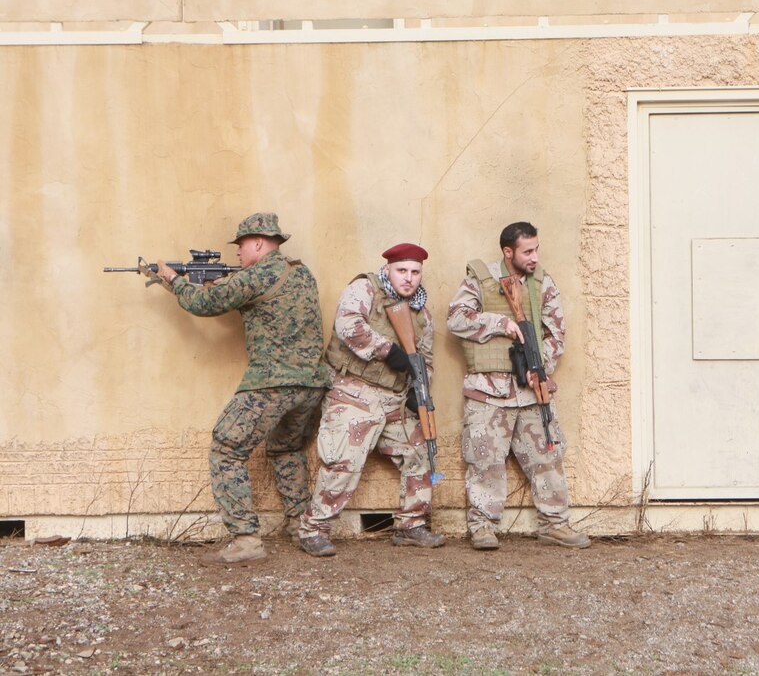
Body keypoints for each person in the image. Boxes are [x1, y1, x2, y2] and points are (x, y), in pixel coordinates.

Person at [154, 212, 328, 565]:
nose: (236, 252)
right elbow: (270, 310)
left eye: (242, 244)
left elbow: (204, 305)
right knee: (286, 448)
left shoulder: (258, 274)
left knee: (226, 449)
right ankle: (300, 525)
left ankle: (246, 539)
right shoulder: (301, 272)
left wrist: (172, 280)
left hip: (271, 383)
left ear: (260, 243)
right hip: (311, 383)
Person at [447, 221, 590, 550]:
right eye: (528, 251)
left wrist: (540, 368)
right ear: (507, 252)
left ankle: (555, 523)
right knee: (485, 462)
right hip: (488, 393)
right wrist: (502, 323)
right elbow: (456, 318)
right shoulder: (480, 280)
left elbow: (556, 334)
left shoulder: (543, 284)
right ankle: (483, 526)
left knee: (548, 459)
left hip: (531, 393)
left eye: (537, 249)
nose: (535, 257)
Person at [297, 243, 445, 557]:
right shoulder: (365, 288)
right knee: (343, 460)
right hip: (354, 391)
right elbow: (348, 324)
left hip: (394, 397)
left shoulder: (422, 313)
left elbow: (427, 359)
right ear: (388, 269)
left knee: (421, 451)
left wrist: (420, 389)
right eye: (402, 270)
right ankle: (314, 529)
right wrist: (388, 351)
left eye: (415, 272)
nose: (408, 278)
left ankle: (411, 525)